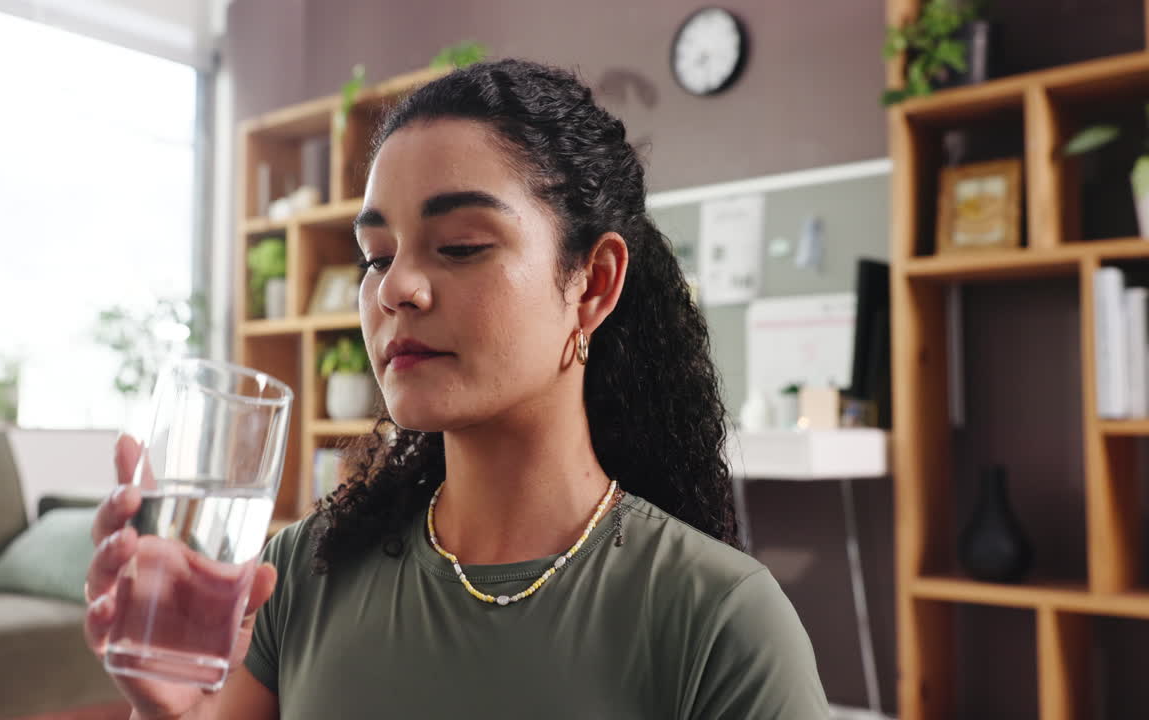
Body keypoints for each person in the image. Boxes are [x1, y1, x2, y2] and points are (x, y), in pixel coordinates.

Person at [84, 58, 830, 719]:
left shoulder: (720, 620)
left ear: (593, 283)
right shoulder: (304, 572)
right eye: (376, 256)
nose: (395, 288)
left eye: (461, 247)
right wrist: (170, 712)